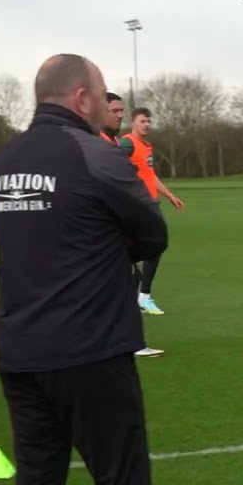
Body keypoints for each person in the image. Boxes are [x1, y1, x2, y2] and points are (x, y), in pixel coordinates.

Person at [0, 54, 176, 485]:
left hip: (20, 350)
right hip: (90, 349)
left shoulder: (4, 161)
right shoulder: (95, 154)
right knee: (120, 482)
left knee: (38, 483)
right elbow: (151, 235)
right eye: (99, 95)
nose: (104, 106)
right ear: (80, 99)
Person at [103, 94, 164, 357]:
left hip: (128, 214)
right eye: (113, 110)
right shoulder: (118, 144)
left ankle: (123, 339)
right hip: (111, 222)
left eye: (120, 110)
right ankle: (129, 340)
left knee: (131, 277)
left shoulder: (116, 141)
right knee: (128, 278)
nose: (118, 114)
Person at [118, 107, 183, 314]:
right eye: (142, 121)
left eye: (148, 121)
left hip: (151, 203)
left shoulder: (146, 146)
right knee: (151, 245)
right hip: (137, 205)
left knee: (156, 246)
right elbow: (113, 164)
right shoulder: (127, 143)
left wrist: (169, 195)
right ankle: (139, 293)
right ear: (133, 123)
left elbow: (150, 175)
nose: (146, 125)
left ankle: (143, 296)